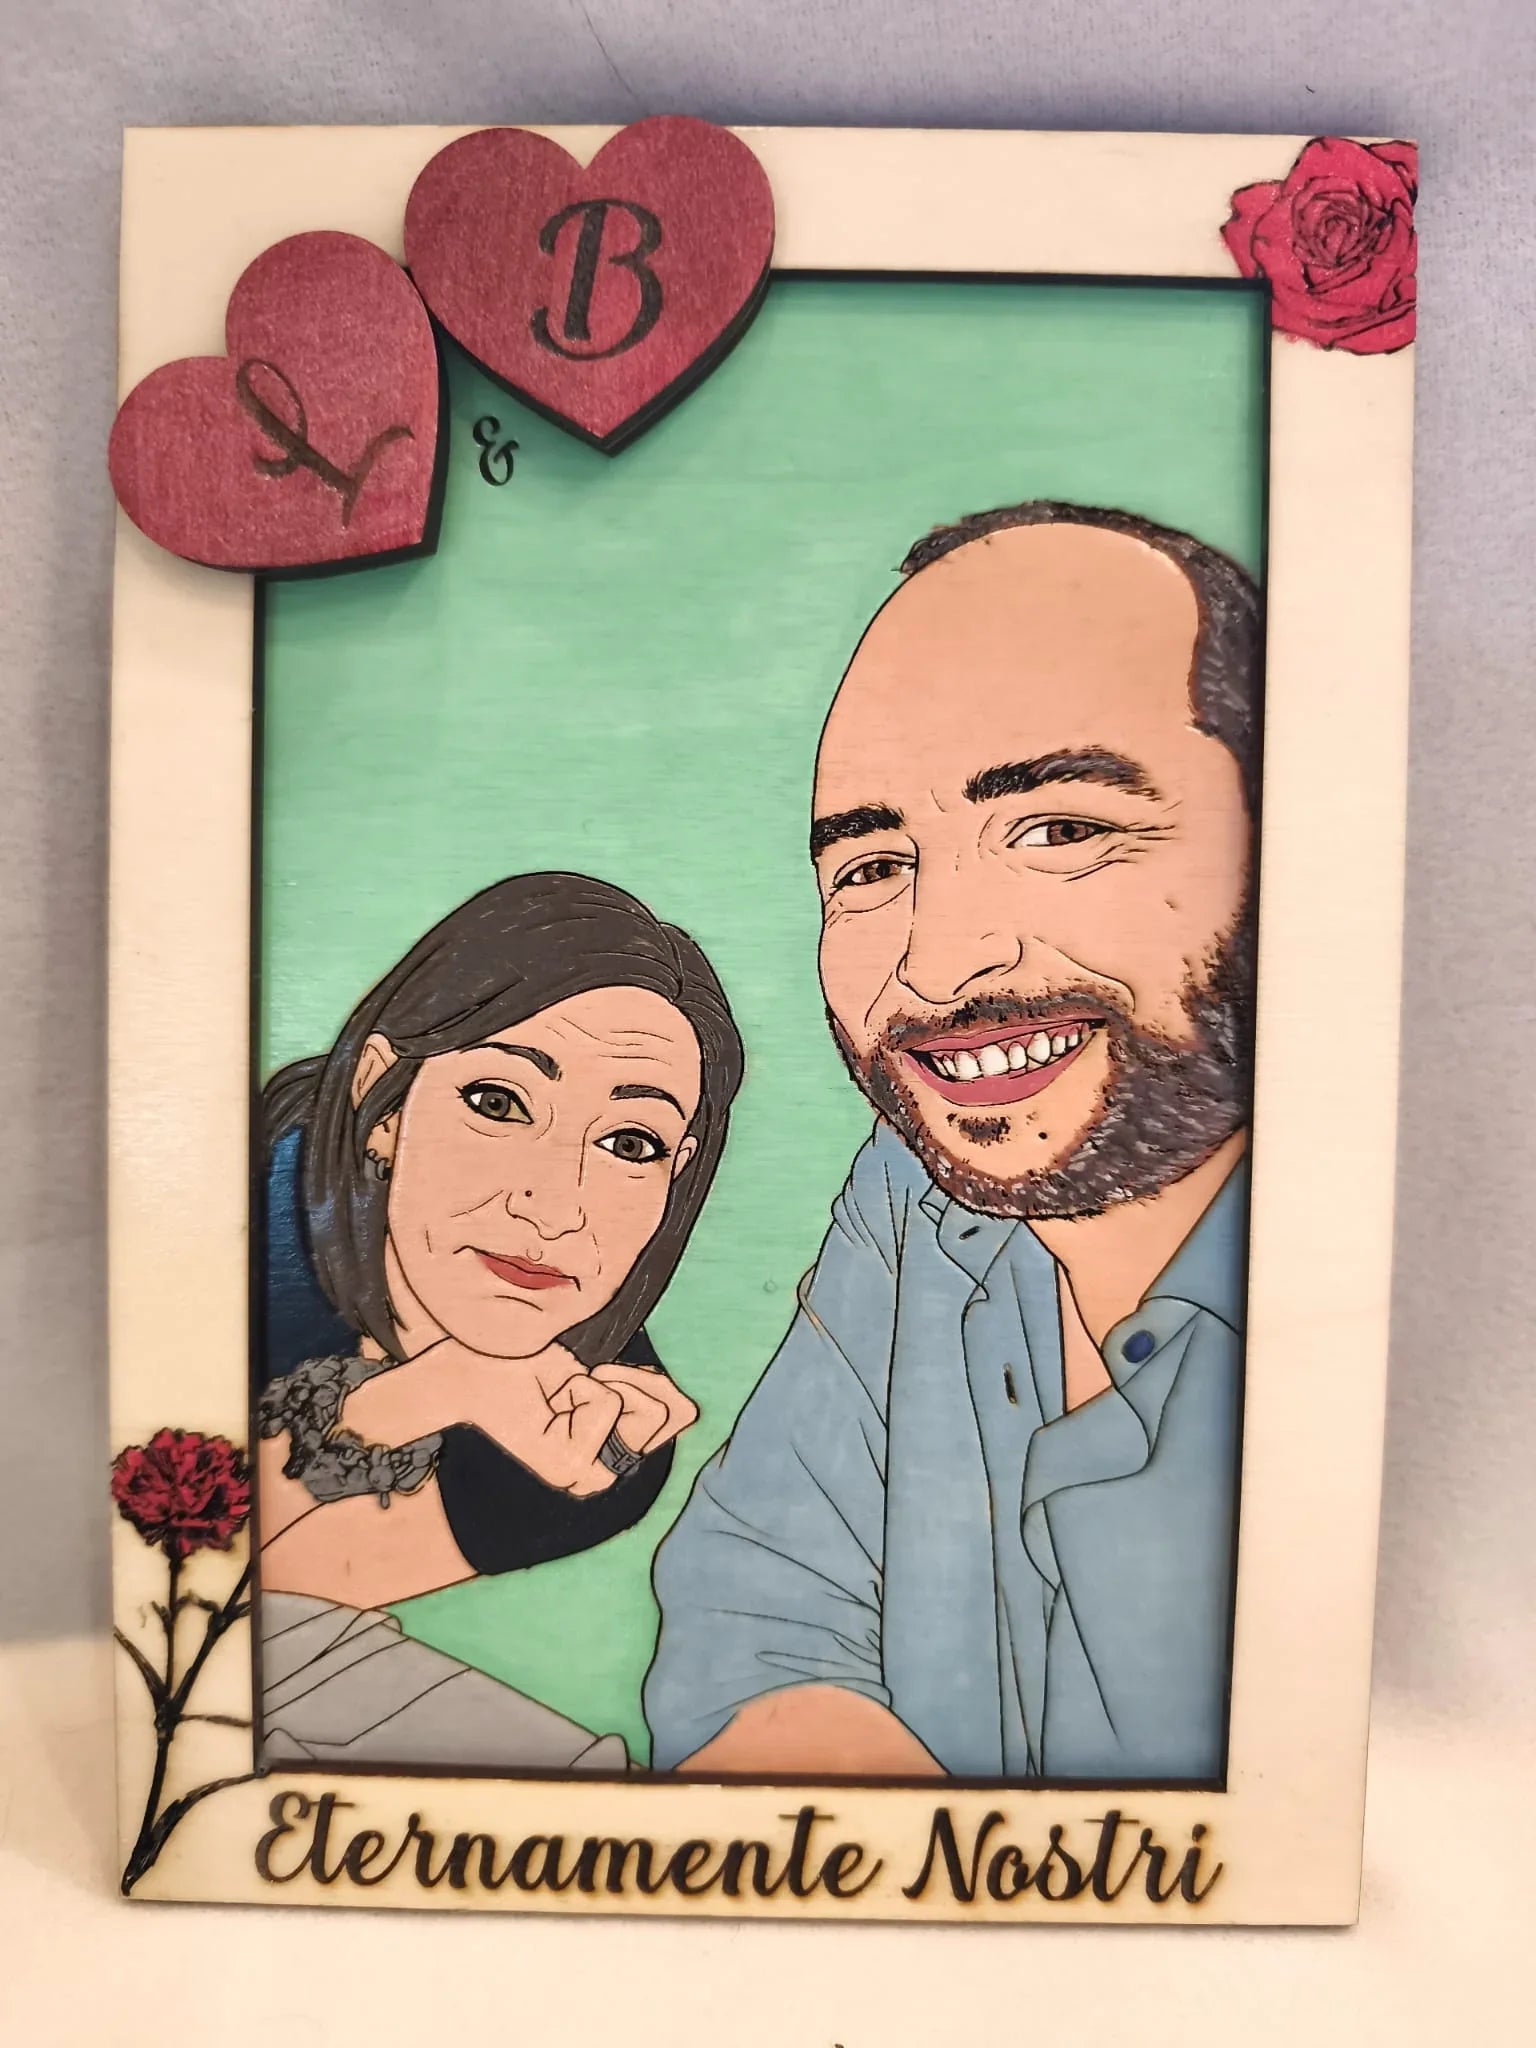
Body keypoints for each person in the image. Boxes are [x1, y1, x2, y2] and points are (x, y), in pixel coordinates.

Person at [645, 501, 1258, 1784]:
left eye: (1061, 830)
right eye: (872, 867)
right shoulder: (920, 1198)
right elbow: (753, 1611)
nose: (938, 961)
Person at [256, 872, 743, 1770]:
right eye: (498, 1102)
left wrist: (452, 1394)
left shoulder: (601, 1431)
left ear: (675, 1173)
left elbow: (272, 1614)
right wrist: (431, 1392)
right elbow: (177, 1577)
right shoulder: (252, 1227)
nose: (554, 1208)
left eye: (629, 1144)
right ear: (383, 1101)